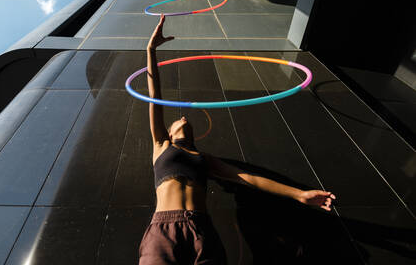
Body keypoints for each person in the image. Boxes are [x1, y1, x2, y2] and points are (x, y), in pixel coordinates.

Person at [138, 15, 336, 265]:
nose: (184, 116)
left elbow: (249, 179)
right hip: (164, 229)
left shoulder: (204, 159)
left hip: (202, 229)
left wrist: (299, 195)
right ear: (169, 130)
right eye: (179, 118)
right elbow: (155, 95)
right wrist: (151, 50)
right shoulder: (161, 145)